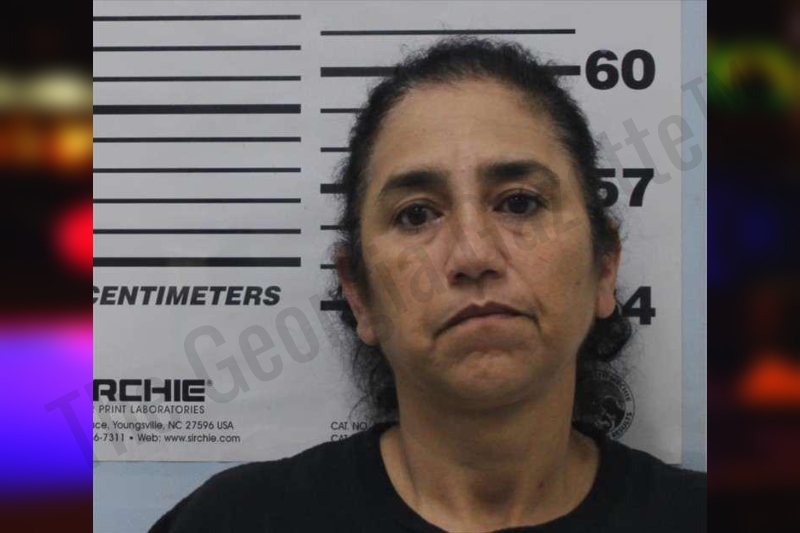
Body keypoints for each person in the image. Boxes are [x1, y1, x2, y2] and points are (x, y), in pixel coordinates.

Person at [149, 37, 706, 533]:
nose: (473, 255)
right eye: (417, 214)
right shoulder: (234, 521)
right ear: (359, 295)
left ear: (604, 266)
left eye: (519, 203)